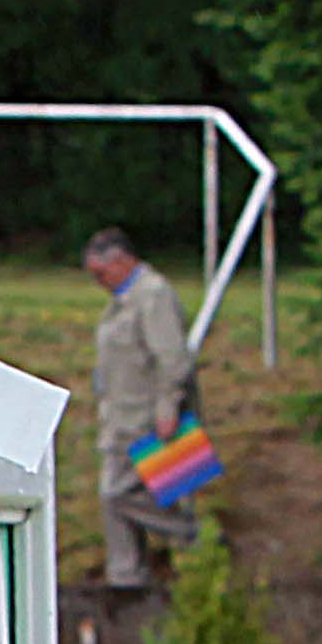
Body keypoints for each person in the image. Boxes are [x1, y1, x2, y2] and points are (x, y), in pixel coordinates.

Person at [85, 230, 201, 593]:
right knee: (112, 499)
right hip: (120, 420)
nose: (98, 283)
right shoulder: (120, 302)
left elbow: (172, 358)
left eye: (101, 274)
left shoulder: (153, 295)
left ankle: (192, 538)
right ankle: (125, 578)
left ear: (121, 262)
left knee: (126, 494)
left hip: (152, 420)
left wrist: (168, 406)